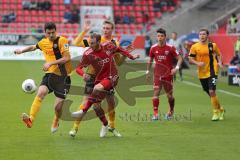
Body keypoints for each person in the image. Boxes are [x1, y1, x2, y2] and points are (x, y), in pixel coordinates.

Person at [68, 20, 132, 137]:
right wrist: (85, 30)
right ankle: (75, 128)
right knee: (87, 102)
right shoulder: (96, 41)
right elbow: (77, 43)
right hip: (92, 77)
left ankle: (111, 127)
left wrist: (125, 54)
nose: (105, 30)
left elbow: (118, 62)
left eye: (108, 28)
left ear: (112, 30)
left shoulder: (114, 43)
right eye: (104, 28)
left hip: (107, 76)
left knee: (111, 104)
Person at [14, 22, 73, 132]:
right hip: (50, 75)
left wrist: (51, 63)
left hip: (64, 77)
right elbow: (33, 47)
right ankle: (30, 119)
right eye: (48, 33)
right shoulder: (43, 42)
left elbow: (67, 58)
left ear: (56, 31)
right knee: (41, 92)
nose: (51, 35)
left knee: (58, 107)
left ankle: (56, 120)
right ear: (45, 33)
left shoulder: (62, 40)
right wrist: (21, 51)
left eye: (53, 32)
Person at [146, 28, 182, 120]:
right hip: (157, 74)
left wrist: (176, 68)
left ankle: (171, 110)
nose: (160, 38)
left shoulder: (170, 48)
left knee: (169, 96)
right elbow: (150, 60)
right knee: (156, 93)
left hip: (168, 75)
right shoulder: (153, 48)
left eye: (162, 36)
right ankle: (155, 114)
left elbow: (180, 58)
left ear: (165, 37)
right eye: (158, 36)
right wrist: (147, 71)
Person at [189, 28, 225, 121]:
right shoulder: (194, 47)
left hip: (213, 70)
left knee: (212, 91)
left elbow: (219, 54)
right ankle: (221, 109)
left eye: (204, 34)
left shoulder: (213, 45)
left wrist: (220, 62)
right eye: (200, 34)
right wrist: (197, 63)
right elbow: (190, 59)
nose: (202, 36)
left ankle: (215, 113)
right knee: (210, 93)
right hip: (202, 73)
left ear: (207, 35)